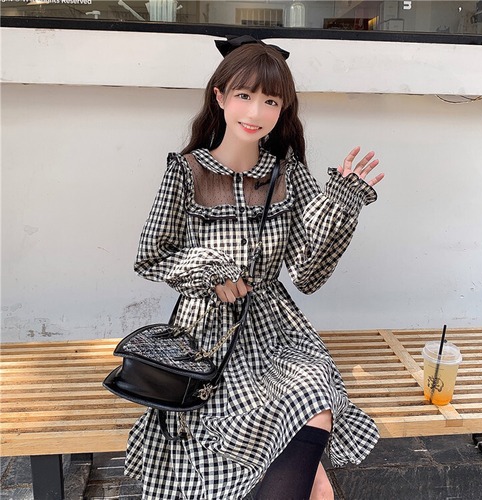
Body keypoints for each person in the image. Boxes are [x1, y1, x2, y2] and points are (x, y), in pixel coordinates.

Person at [126, 35, 384, 500]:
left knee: (313, 392)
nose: (256, 111)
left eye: (270, 101)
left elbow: (307, 274)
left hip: (276, 330)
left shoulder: (289, 174)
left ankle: (309, 476)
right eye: (244, 95)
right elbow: (152, 255)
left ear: (282, 110)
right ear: (220, 97)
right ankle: (313, 479)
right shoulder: (186, 172)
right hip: (207, 334)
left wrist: (341, 205)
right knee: (287, 461)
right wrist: (210, 269)